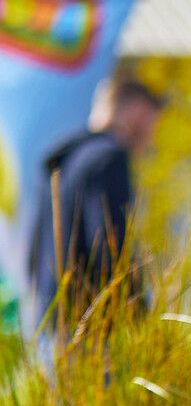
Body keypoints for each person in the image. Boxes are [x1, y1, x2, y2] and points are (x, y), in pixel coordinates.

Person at [26, 70, 165, 342]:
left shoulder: (66, 160)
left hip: (54, 320)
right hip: (95, 327)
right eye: (152, 120)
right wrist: (140, 320)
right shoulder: (109, 158)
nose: (152, 133)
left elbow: (35, 248)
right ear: (137, 111)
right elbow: (111, 246)